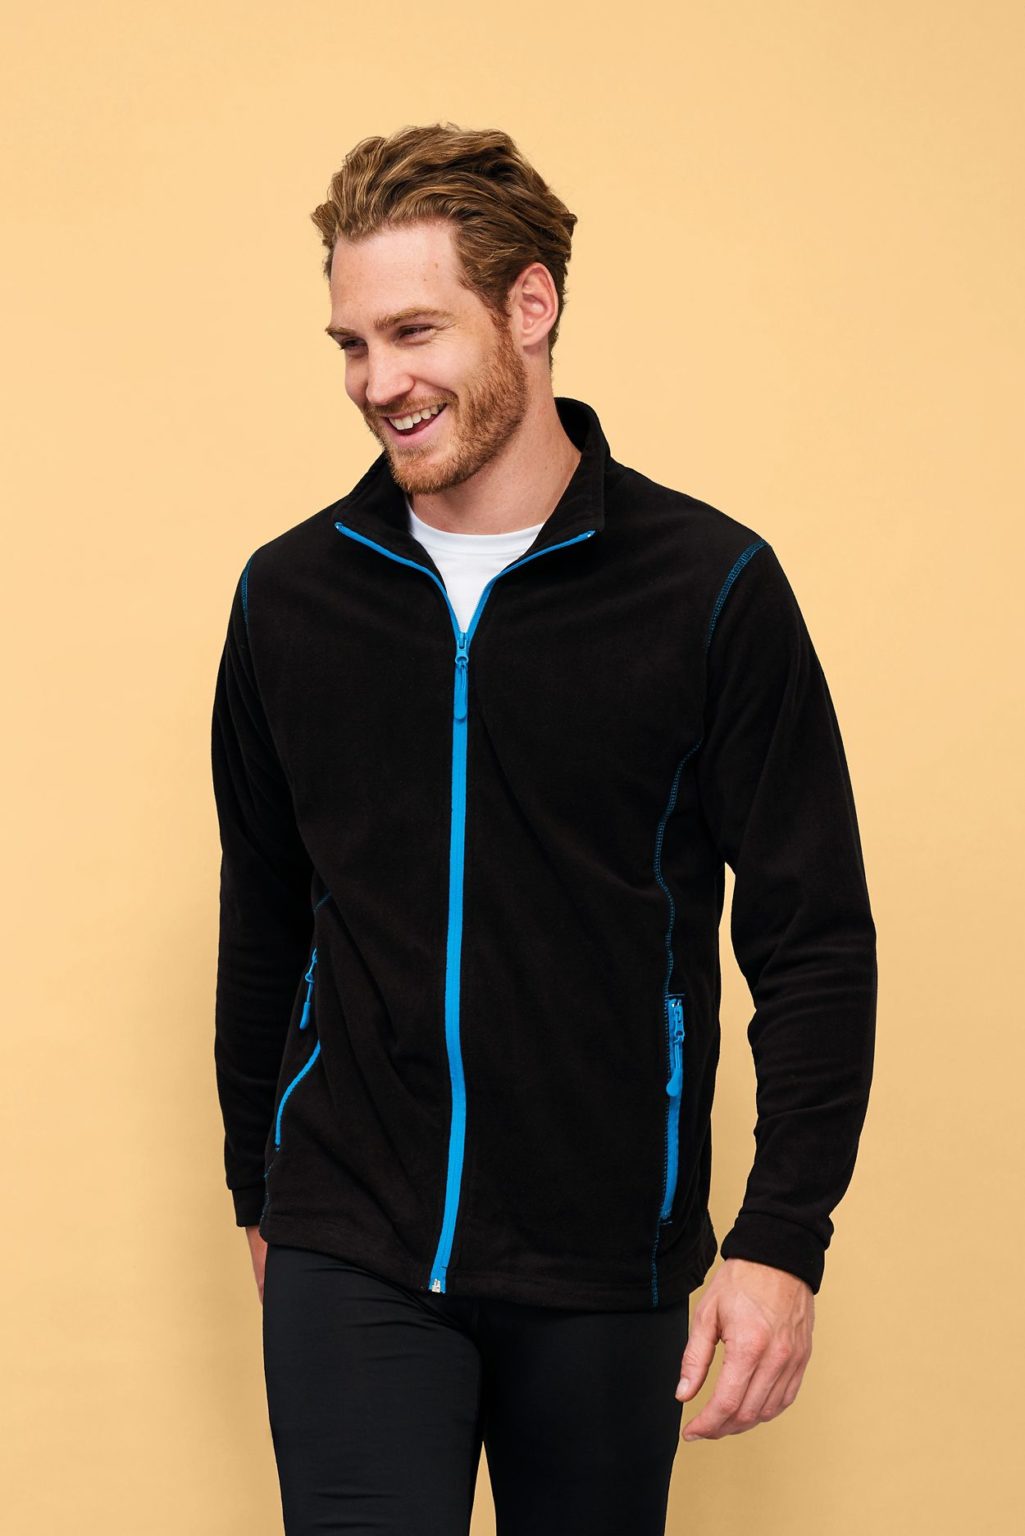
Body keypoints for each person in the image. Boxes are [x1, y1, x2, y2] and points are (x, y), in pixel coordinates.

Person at [210, 122, 877, 1536]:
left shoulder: (708, 590)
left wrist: (780, 1240)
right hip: (350, 1239)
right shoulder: (291, 598)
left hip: (606, 1260)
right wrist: (259, 1191)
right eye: (350, 343)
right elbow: (263, 911)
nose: (377, 382)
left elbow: (813, 937)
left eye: (413, 332)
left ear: (530, 304)